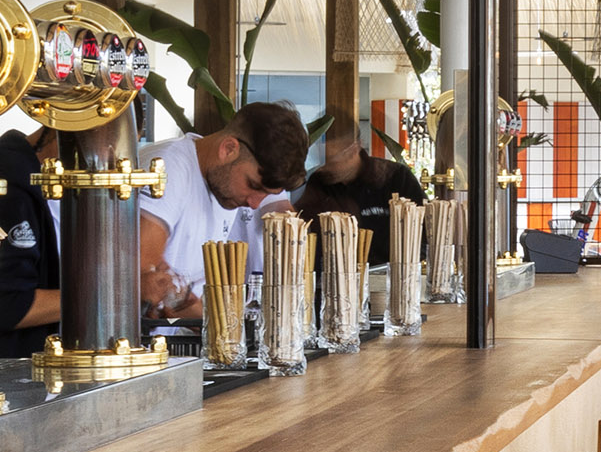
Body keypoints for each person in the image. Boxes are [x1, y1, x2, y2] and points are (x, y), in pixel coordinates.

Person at [139, 102, 294, 322]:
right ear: (228, 149)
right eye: (252, 185)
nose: (254, 204)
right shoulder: (170, 166)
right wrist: (217, 324)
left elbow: (179, 296)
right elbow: (146, 277)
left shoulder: (223, 185)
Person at [0, 121, 62, 358]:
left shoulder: (28, 176)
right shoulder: (11, 185)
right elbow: (9, 306)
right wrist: (108, 300)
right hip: (5, 371)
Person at [296, 113, 428, 242]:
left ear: (354, 149)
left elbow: (423, 233)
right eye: (318, 160)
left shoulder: (394, 177)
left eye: (329, 160)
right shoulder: (318, 182)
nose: (321, 167)